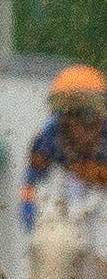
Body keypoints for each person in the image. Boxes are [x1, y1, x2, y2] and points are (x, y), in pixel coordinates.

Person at [24, 66, 107, 237]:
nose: (78, 128)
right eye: (69, 115)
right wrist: (28, 209)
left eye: (86, 116)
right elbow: (31, 180)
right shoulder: (50, 134)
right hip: (71, 185)